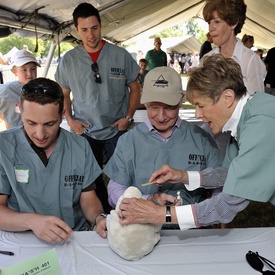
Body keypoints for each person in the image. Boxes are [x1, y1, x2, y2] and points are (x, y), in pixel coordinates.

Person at [118, 54, 275, 229]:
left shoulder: (260, 125)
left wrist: (160, 215)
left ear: (227, 98)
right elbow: (227, 174)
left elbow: (226, 206)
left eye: (201, 105)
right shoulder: (247, 117)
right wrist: (184, 176)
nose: (197, 115)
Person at [55, 2, 141, 213]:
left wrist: (127, 118)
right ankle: (101, 213)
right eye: (84, 30)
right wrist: (70, 120)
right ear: (76, 30)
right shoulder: (69, 60)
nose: (90, 35)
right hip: (86, 130)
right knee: (90, 178)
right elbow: (63, 93)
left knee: (123, 174)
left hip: (116, 128)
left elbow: (135, 88)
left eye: (94, 28)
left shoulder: (120, 55)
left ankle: (125, 210)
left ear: (101, 26)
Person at [0, 77, 107, 243]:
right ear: (19, 110)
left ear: (63, 114)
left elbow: (88, 198)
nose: (40, 134)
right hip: (22, 239)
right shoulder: (4, 147)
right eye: (31, 122)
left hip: (72, 237)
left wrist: (99, 218)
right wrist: (32, 221)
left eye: (50, 124)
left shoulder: (79, 146)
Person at [104, 66, 222, 210]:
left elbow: (220, 187)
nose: (161, 117)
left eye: (169, 107)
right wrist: (146, 201)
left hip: (190, 226)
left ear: (180, 101)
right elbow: (115, 192)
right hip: (143, 226)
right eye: (154, 107)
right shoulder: (128, 141)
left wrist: (204, 212)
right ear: (144, 102)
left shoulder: (202, 139)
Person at [201, 0, 266, 157]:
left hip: (239, 141)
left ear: (233, 23)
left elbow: (256, 109)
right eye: (209, 22)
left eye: (217, 21)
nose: (211, 28)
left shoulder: (250, 60)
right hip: (211, 136)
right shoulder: (207, 59)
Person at [0, 49, 40, 129]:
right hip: (16, 137)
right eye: (24, 70)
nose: (29, 74)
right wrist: (7, 119)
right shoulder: (6, 91)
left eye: (33, 69)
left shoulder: (43, 88)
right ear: (14, 71)